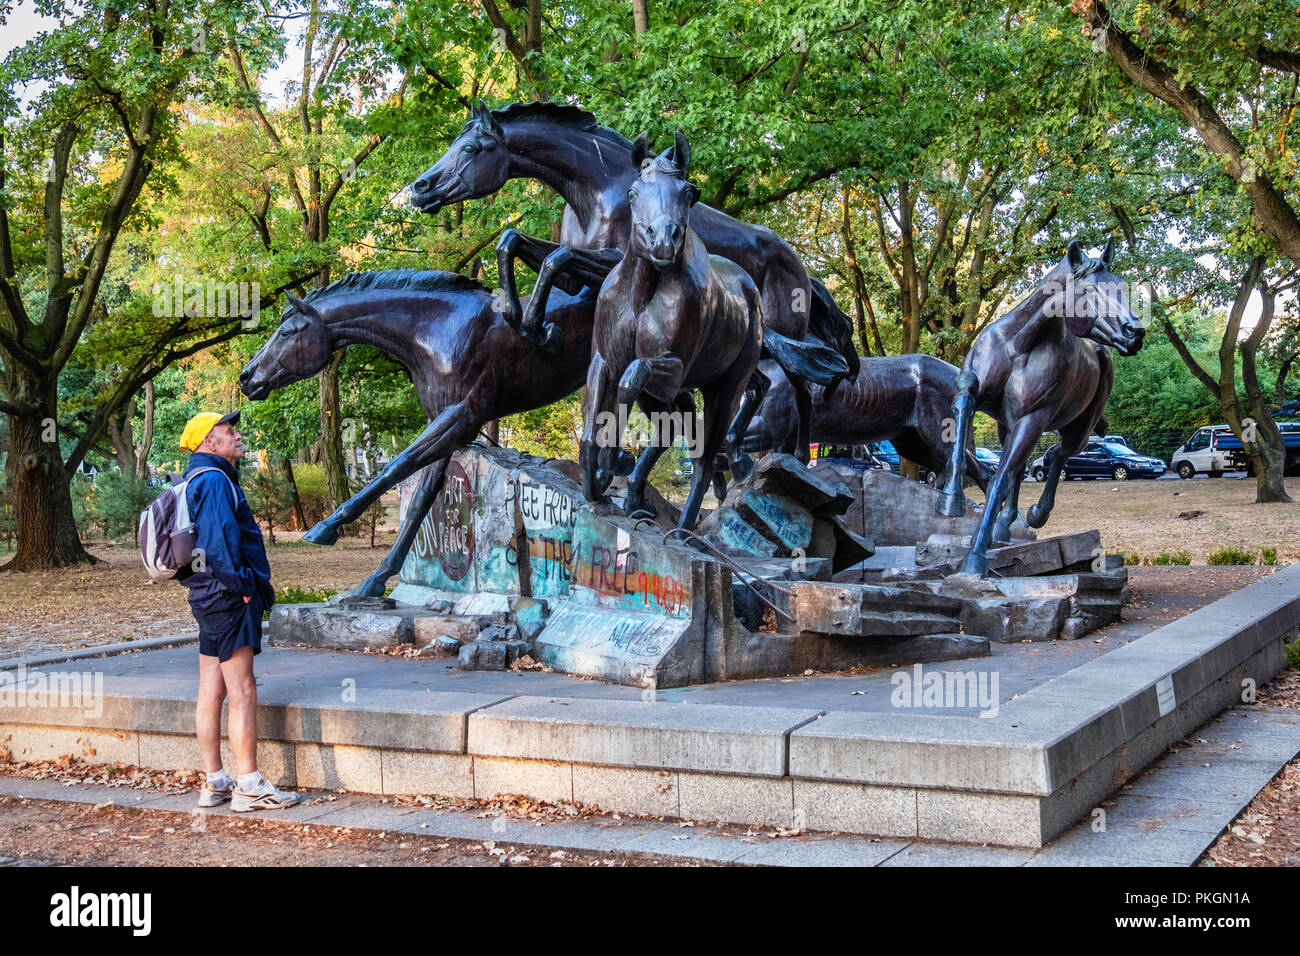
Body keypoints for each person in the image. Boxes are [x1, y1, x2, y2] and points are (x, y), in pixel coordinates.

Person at [177, 410, 300, 812]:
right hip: (229, 599)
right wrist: (247, 588)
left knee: (210, 691)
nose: (237, 436)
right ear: (209, 443)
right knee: (242, 690)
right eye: (229, 431)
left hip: (207, 597)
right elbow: (219, 545)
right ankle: (249, 785)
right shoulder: (214, 482)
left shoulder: (197, 478)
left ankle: (215, 783)